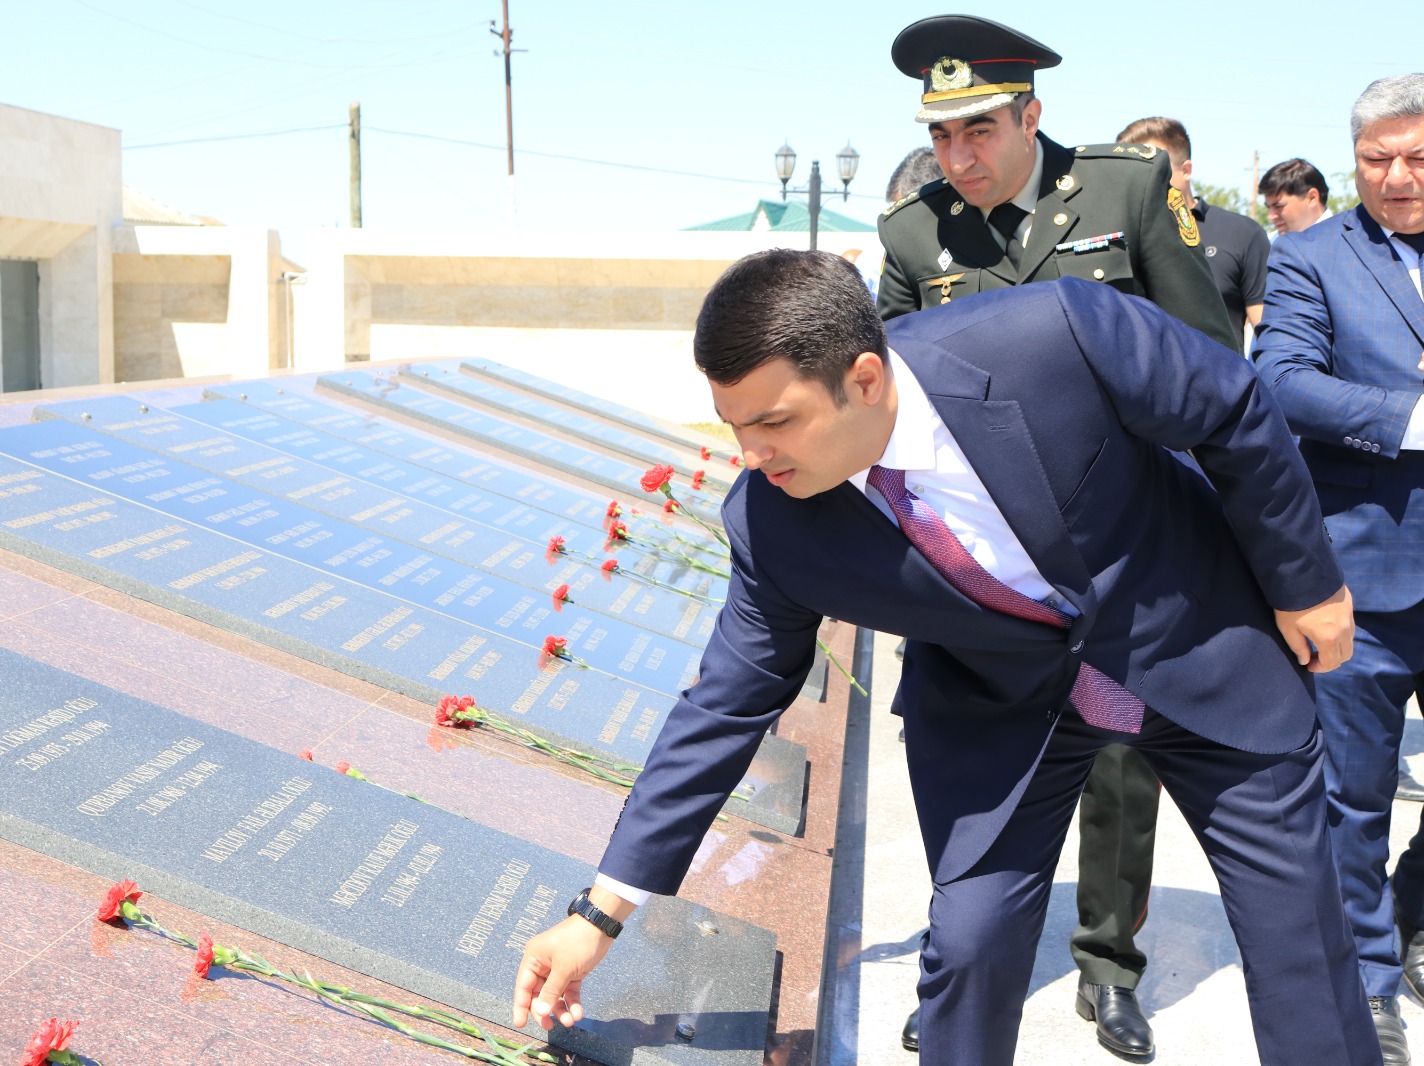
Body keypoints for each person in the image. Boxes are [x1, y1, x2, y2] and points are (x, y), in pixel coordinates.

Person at [510, 249, 1375, 1066]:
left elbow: (1230, 406)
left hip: (1199, 646)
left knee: (1301, 936)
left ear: (865, 379)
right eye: (735, 426)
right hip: (1004, 711)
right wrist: (601, 913)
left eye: (775, 422)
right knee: (969, 948)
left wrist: (1308, 584)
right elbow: (727, 704)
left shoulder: (1055, 335)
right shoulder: (770, 523)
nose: (752, 455)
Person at [872, 16, 1235, 1058]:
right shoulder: (912, 238)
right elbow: (887, 406)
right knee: (965, 769)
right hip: (976, 575)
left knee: (1120, 766)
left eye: (979, 130)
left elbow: (1210, 372)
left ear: (1031, 115)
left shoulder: (1123, 193)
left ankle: (1108, 967)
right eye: (940, 138)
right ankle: (963, 967)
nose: (958, 157)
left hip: (1122, 560)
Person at [1254, 73, 1424, 1066]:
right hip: (1361, 581)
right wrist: (1406, 421)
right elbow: (1277, 380)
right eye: (1376, 161)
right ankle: (1366, 979)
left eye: (1415, 159)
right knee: (1350, 797)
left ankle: (1414, 905)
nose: (1396, 178)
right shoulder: (1312, 255)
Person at [1120, 116, 1270, 354]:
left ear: (1186, 169)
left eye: (1149, 169)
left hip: (1219, 382)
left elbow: (1266, 330)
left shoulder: (1242, 233)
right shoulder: (1117, 239)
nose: (1140, 181)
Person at [1260, 157, 1334, 235]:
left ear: (1312, 198)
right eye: (1268, 207)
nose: (1271, 217)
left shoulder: (1344, 242)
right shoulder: (1269, 243)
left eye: (1279, 206)